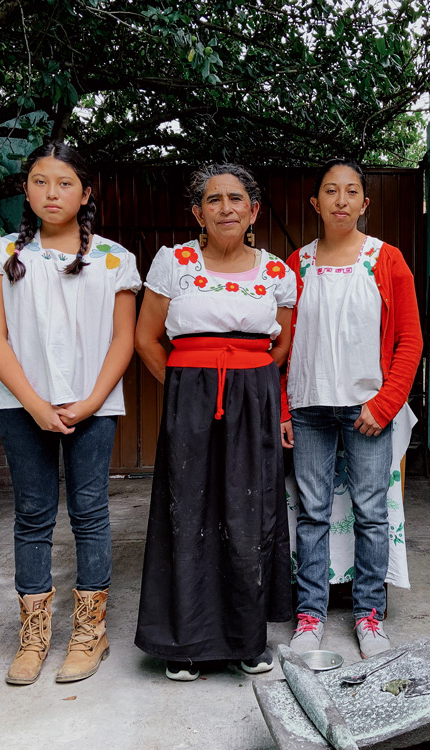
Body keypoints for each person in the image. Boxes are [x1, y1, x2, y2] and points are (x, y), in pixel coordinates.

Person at [0, 142, 141, 685]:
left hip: (92, 406)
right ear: (26, 189)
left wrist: (90, 402)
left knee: (90, 512)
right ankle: (34, 635)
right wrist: (36, 403)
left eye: (66, 182)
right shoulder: (2, 251)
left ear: (86, 192)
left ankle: (90, 633)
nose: (53, 193)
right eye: (41, 181)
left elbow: (124, 339)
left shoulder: (115, 259)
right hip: (23, 404)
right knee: (33, 514)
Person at [134, 164, 295, 681]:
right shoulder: (174, 263)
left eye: (236, 198)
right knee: (189, 512)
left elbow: (282, 344)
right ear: (197, 212)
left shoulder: (277, 273)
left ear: (253, 210)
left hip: (254, 400)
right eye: (213, 199)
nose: (225, 207)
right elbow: (145, 339)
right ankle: (184, 643)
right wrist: (186, 388)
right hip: (192, 400)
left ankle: (248, 642)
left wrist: (249, 390)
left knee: (250, 516)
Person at [283, 158, 423, 658]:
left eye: (351, 192)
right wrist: (284, 405)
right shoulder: (295, 266)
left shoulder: (387, 260)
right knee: (312, 514)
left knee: (370, 512)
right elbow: (281, 343)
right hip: (309, 409)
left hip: (367, 410)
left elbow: (410, 340)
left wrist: (385, 405)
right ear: (315, 202)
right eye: (330, 191)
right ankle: (309, 617)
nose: (340, 200)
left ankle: (368, 614)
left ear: (365, 203)